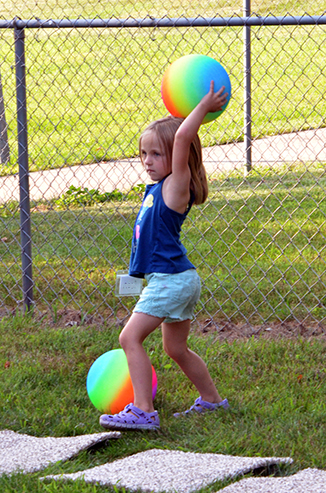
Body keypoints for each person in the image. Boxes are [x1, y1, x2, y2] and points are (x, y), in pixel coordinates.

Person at [100, 81, 229, 431]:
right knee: (176, 349)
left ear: (176, 157)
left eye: (156, 154)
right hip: (175, 279)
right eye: (143, 154)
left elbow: (185, 137)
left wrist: (201, 107)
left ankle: (143, 410)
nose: (147, 161)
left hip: (171, 280)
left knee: (129, 338)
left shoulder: (176, 185)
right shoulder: (156, 189)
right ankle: (214, 402)